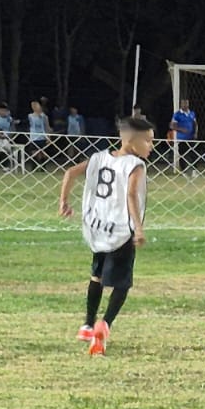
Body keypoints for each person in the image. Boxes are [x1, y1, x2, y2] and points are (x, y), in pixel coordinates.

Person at [58, 115, 155, 357]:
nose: (152, 146)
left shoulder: (99, 157)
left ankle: (87, 325)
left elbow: (70, 172)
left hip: (98, 228)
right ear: (132, 142)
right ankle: (105, 325)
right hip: (120, 231)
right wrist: (139, 228)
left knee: (96, 276)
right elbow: (131, 196)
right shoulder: (135, 165)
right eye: (149, 141)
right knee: (122, 284)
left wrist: (64, 201)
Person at [169, 97, 197, 174]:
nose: (185, 105)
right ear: (181, 104)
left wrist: (195, 133)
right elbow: (172, 126)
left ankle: (194, 170)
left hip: (191, 137)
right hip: (181, 138)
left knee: (194, 154)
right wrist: (181, 129)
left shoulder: (192, 113)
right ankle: (183, 171)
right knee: (182, 154)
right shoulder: (177, 114)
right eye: (183, 103)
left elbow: (195, 124)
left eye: (186, 103)